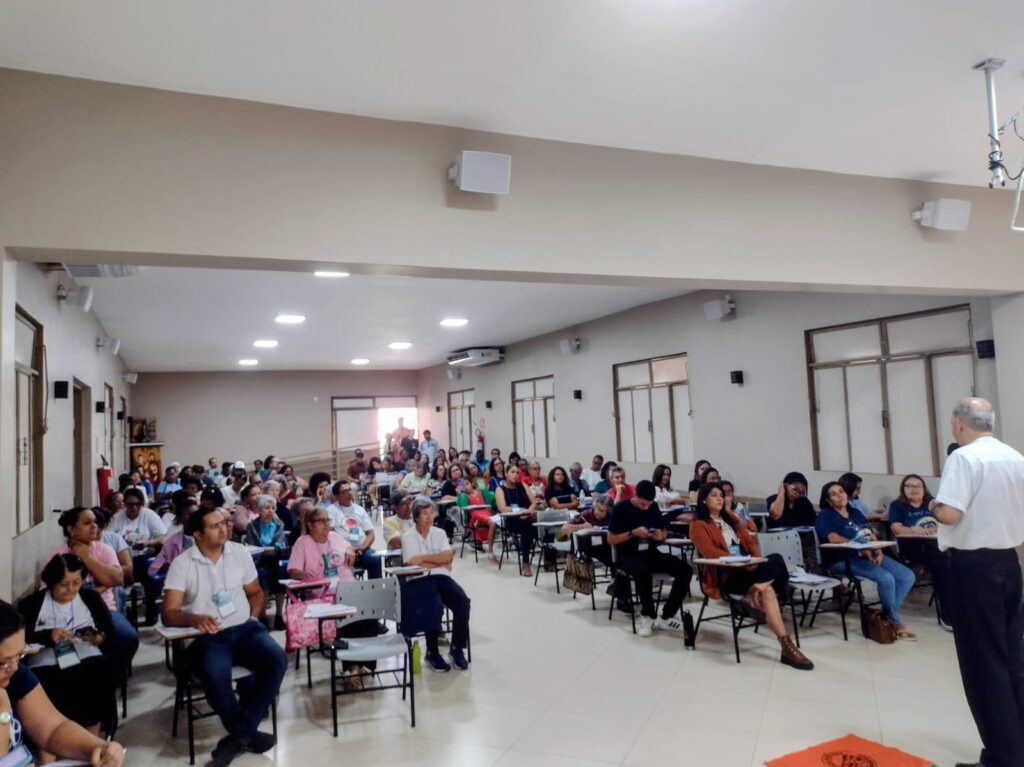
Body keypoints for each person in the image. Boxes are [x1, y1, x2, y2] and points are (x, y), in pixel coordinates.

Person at [927, 398, 1024, 767]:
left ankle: (1002, 756)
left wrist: (933, 506)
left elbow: (950, 513)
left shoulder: (964, 458)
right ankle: (1015, 749)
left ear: (958, 423)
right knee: (1011, 657)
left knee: (983, 662)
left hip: (973, 568)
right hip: (1008, 563)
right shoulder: (1015, 458)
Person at [162, 507, 288, 767]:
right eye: (215, 526)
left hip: (245, 628)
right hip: (208, 636)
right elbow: (169, 614)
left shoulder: (239, 553)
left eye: (224, 523)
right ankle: (247, 734)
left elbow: (256, 593)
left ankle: (239, 736)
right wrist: (194, 618)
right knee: (215, 675)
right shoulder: (183, 564)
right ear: (198, 534)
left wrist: (253, 618)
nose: (224, 528)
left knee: (277, 660)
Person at [689, 483, 812, 670]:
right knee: (770, 585)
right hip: (728, 575)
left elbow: (750, 541)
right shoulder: (698, 524)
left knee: (775, 560)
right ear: (704, 500)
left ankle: (785, 643)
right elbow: (709, 552)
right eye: (714, 495)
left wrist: (754, 559)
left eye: (721, 495)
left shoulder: (731, 521)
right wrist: (738, 559)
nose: (720, 498)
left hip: (747, 569)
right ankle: (787, 645)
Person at [0, 601, 126, 767]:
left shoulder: (15, 675)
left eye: (19, 656)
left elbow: (52, 728)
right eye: (2, 662)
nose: (14, 667)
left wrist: (98, 748)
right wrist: (3, 711)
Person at [18, 555, 121, 749]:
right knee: (50, 681)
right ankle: (51, 742)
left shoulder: (91, 598)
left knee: (100, 673)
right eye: (64, 584)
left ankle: (91, 740)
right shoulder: (32, 604)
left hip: (85, 653)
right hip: (47, 659)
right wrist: (49, 635)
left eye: (77, 583)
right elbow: (22, 637)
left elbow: (109, 631)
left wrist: (98, 637)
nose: (71, 590)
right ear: (51, 582)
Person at [816, 481, 916, 640]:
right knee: (886, 578)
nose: (839, 495)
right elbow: (833, 538)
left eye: (841, 491)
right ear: (828, 501)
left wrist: (877, 549)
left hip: (865, 554)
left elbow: (870, 535)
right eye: (834, 494)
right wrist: (860, 546)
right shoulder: (826, 515)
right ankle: (895, 622)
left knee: (907, 576)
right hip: (841, 558)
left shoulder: (856, 513)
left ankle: (887, 614)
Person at [41, 509, 138, 669]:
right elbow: (50, 594)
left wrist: (86, 557)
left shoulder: (104, 549)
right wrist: (94, 590)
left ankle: (112, 677)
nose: (94, 526)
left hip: (104, 611)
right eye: (87, 523)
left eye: (95, 522)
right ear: (71, 529)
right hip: (66, 614)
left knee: (128, 638)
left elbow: (117, 579)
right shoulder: (55, 557)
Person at [607, 480, 693, 638]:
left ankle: (667, 615)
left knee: (685, 570)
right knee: (642, 572)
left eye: (649, 504)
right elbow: (610, 539)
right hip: (627, 555)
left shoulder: (653, 507)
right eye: (642, 504)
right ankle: (648, 616)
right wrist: (633, 533)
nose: (646, 507)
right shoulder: (620, 508)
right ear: (635, 495)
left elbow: (663, 530)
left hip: (650, 552)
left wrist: (660, 535)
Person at [400, 497, 471, 672]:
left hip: (441, 577)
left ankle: (456, 648)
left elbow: (448, 556)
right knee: (434, 605)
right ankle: (432, 652)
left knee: (463, 602)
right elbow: (412, 564)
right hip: (418, 580)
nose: (429, 517)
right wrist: (440, 561)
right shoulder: (407, 537)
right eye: (425, 513)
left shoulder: (439, 533)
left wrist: (424, 559)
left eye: (431, 513)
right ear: (416, 517)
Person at [888, 473, 949, 628]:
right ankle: (947, 614)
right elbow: (896, 528)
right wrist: (914, 530)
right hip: (914, 547)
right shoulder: (897, 505)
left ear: (924, 488)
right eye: (909, 486)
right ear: (903, 489)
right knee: (942, 563)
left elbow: (945, 522)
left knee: (956, 560)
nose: (914, 489)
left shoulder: (932, 503)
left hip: (938, 544)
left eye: (917, 486)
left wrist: (933, 529)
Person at [244, 495, 289, 630]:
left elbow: (280, 543)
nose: (270, 511)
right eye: (267, 508)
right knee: (262, 574)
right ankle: (262, 615)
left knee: (281, 574)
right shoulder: (252, 525)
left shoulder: (279, 524)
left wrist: (273, 549)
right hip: (260, 561)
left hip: (276, 559)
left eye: (273, 508)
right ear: (258, 510)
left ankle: (279, 615)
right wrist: (264, 550)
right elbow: (251, 545)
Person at [326, 481, 381, 578]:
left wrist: (363, 547)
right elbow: (330, 535)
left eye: (349, 490)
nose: (348, 493)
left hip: (361, 550)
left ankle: (375, 586)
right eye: (344, 492)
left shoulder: (359, 509)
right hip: (341, 551)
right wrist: (346, 549)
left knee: (374, 558)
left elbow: (370, 534)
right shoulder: (331, 511)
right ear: (336, 496)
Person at [493, 464, 538, 576]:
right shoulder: (500, 489)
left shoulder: (522, 485)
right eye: (512, 472)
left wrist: (527, 512)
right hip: (511, 520)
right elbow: (503, 508)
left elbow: (534, 502)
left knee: (542, 525)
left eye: (517, 472)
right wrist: (520, 511)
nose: (516, 475)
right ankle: (526, 562)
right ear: (506, 474)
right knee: (528, 528)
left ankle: (549, 557)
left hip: (527, 517)